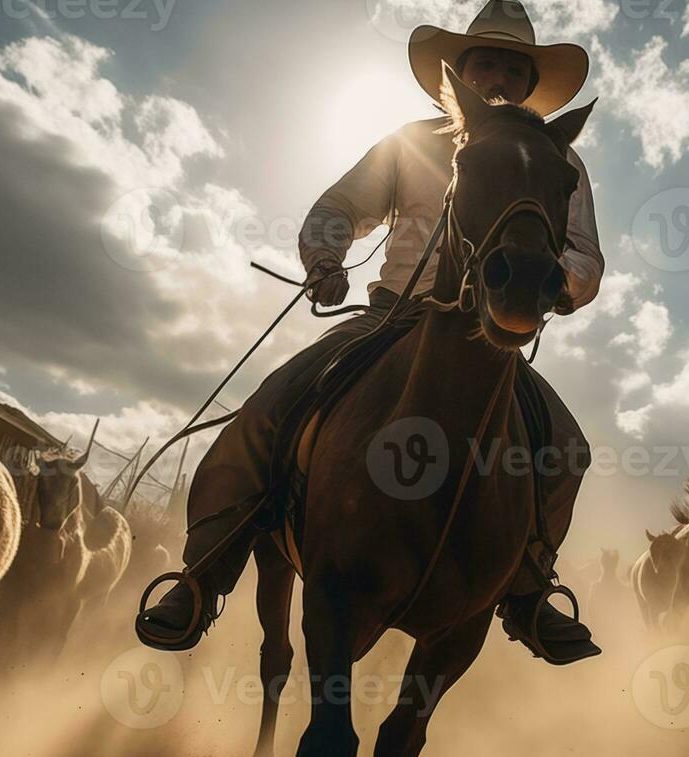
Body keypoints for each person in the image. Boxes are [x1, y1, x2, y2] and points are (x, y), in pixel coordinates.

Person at [135, 0, 604, 665]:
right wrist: (324, 258)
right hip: (391, 317)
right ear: (461, 76)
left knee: (566, 449)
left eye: (513, 69)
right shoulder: (407, 142)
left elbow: (583, 252)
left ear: (529, 85)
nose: (498, 78)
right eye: (485, 64)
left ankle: (527, 588)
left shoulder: (555, 158)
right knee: (270, 407)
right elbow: (339, 207)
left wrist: (552, 282)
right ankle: (202, 575)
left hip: (491, 332)